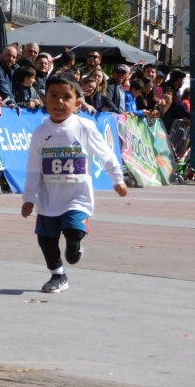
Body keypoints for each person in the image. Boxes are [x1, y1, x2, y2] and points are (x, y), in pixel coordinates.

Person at [21, 72, 127, 293]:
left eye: (66, 97)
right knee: (45, 239)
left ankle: (75, 243)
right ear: (44, 100)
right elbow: (32, 169)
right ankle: (58, 275)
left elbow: (106, 154)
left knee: (72, 232)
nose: (59, 102)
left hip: (77, 196)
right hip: (49, 197)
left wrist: (117, 179)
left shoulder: (84, 127)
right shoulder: (40, 133)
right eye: (53, 96)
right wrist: (29, 198)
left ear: (77, 103)